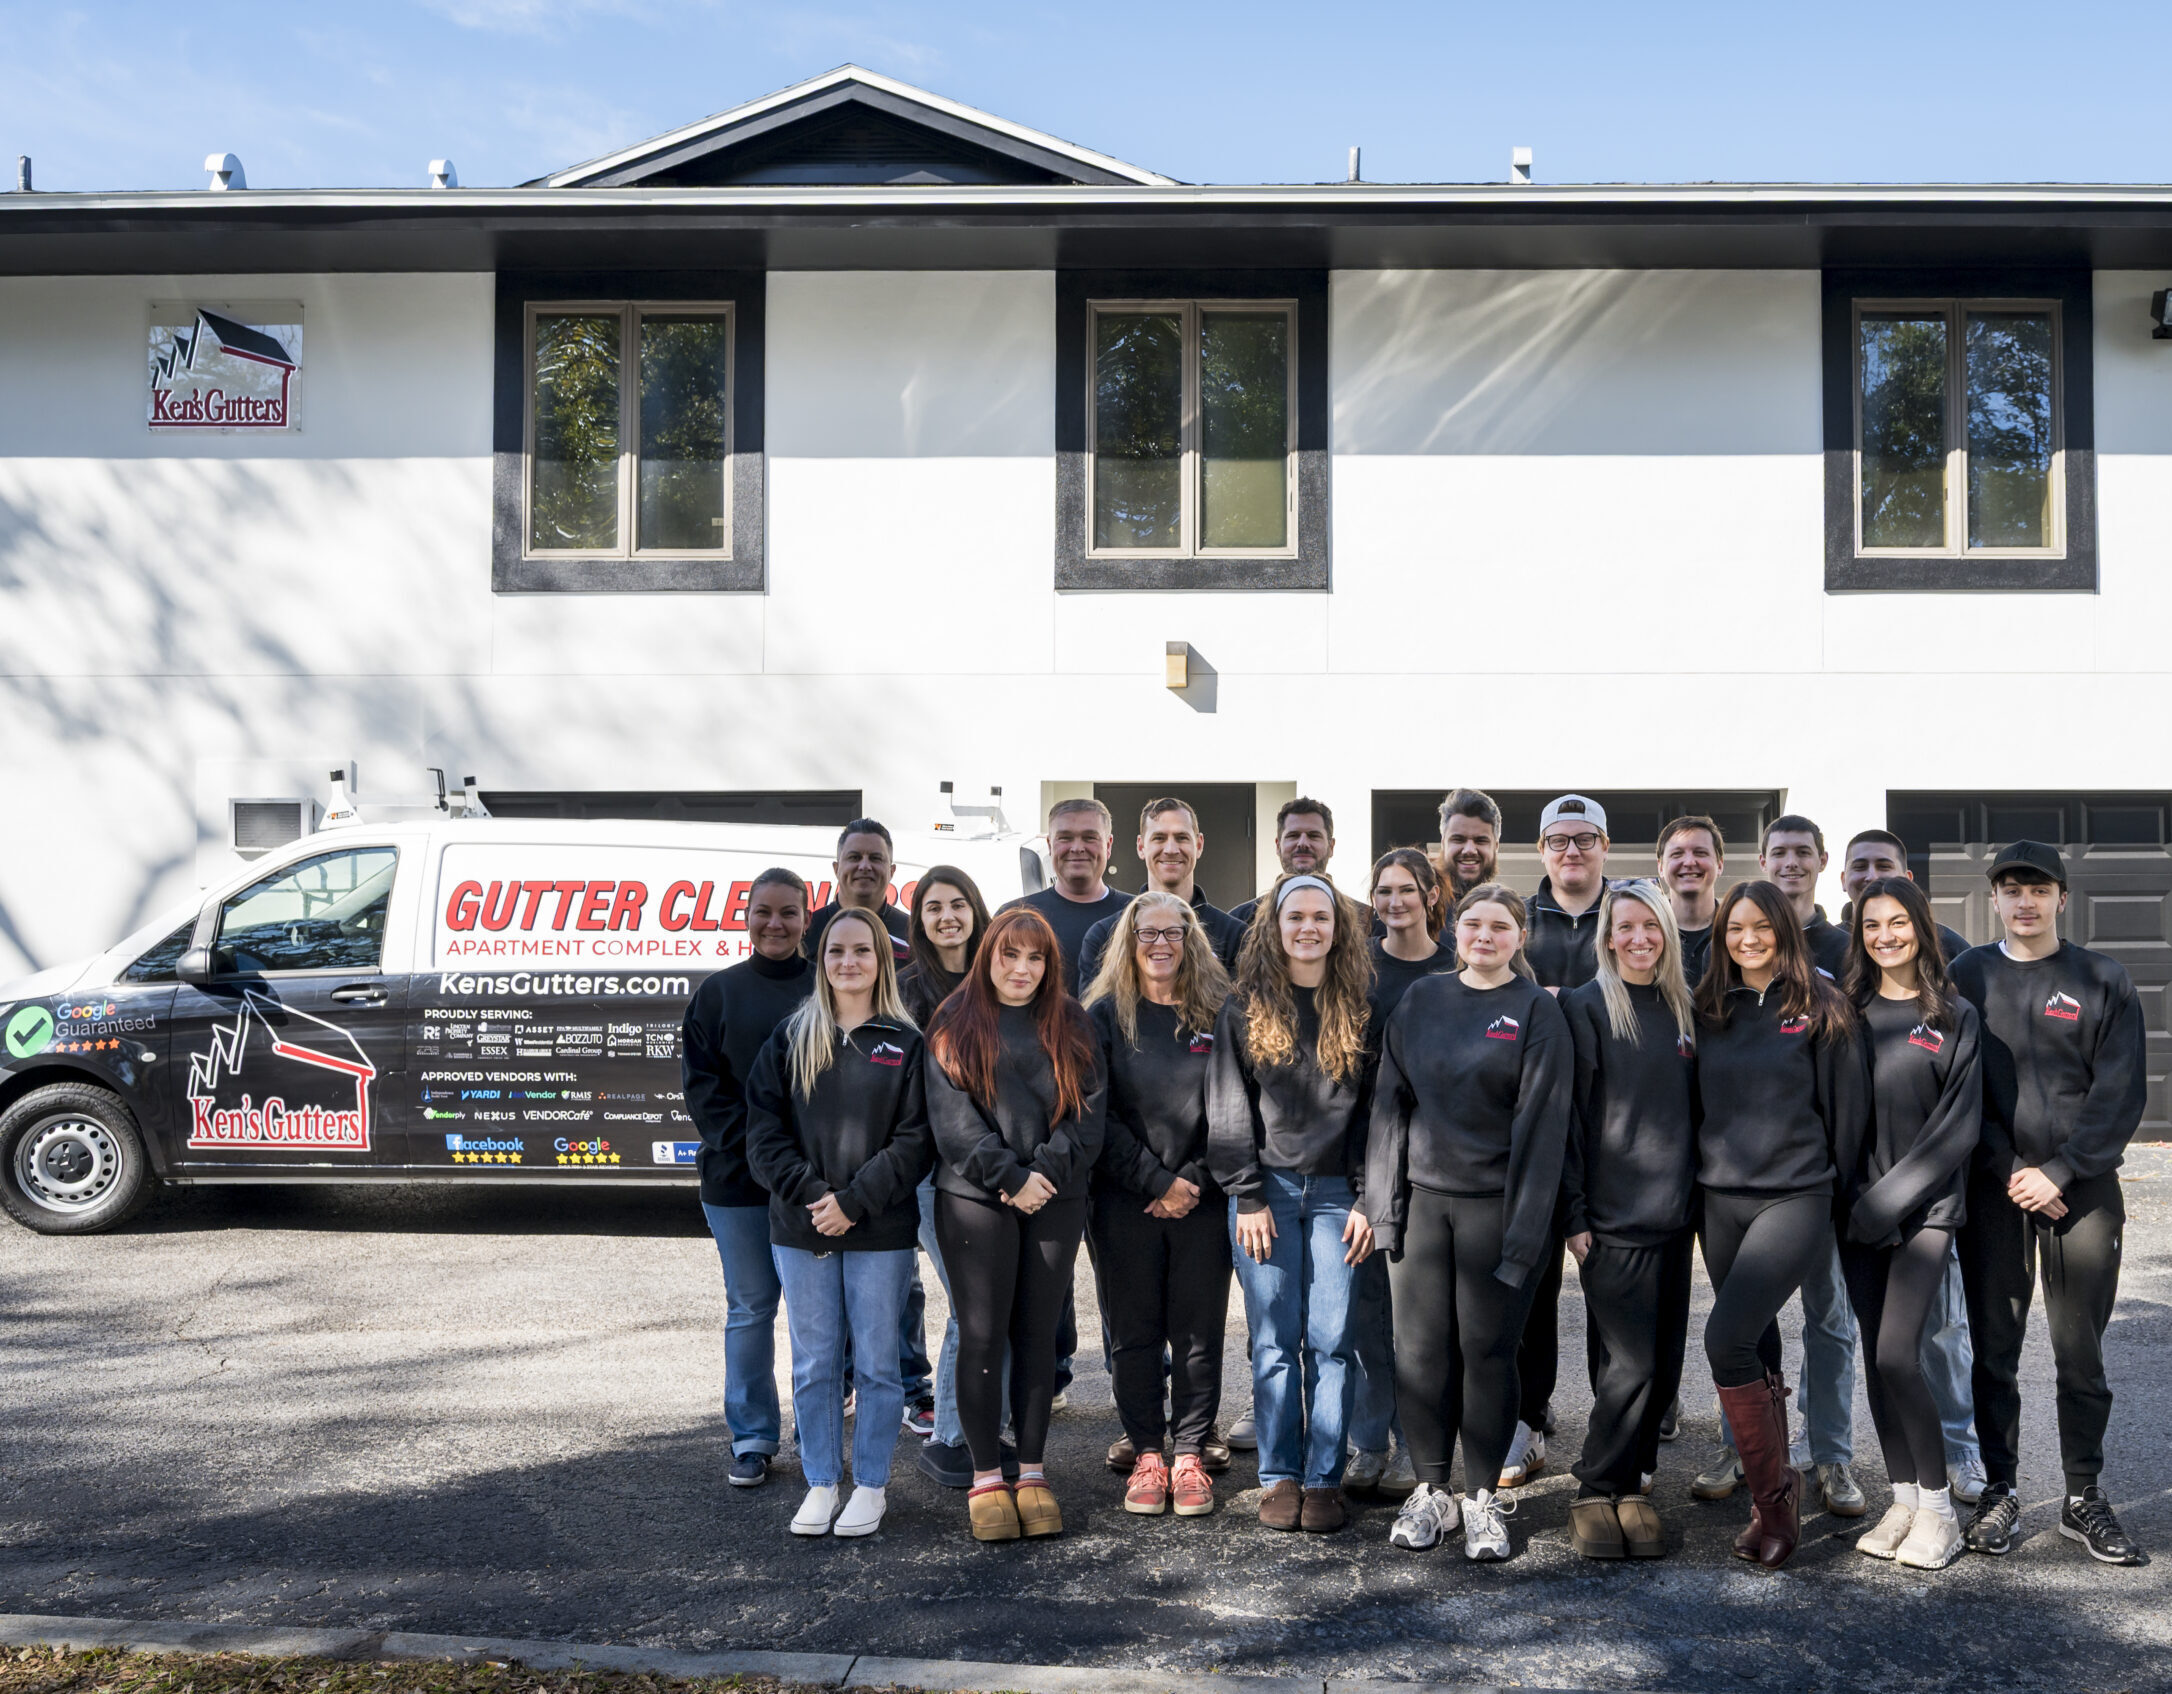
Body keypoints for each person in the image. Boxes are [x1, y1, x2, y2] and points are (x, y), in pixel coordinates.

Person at [1952, 841, 2149, 1565]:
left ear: (2062, 899)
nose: (2024, 901)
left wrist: (2062, 1170)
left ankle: (2082, 1497)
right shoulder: (1968, 973)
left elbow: (2121, 1092)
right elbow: (1959, 1084)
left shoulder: (2101, 978)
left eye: (2038, 889)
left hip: (2083, 1190)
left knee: (2079, 1353)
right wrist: (2010, 1168)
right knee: (1995, 1349)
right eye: (2010, 889)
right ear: (1995, 899)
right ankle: (2000, 1488)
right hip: (1997, 1189)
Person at [1367, 884, 1570, 1562]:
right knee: (1421, 1356)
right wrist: (1383, 1209)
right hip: (1424, 1207)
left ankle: (1482, 1498)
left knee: (1487, 1355)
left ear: (1520, 937)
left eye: (1500, 925)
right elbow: (1390, 1109)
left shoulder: (1536, 1011)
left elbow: (1544, 1133)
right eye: (1473, 923)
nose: (1484, 935)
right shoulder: (1422, 1000)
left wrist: (1526, 1235)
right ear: (1455, 930)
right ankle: (1432, 1493)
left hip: (1499, 1212)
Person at [1692, 879, 1868, 1570]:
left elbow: (1847, 1118)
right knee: (1755, 1347)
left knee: (1724, 1337)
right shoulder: (1707, 1008)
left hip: (1794, 1198)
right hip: (1720, 1199)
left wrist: (1840, 1201)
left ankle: (1775, 1499)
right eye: (1735, 928)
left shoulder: (1821, 1006)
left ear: (1784, 931)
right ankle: (1773, 1484)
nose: (1748, 939)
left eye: (1761, 926)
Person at [745, 908, 934, 1539]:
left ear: (882, 959)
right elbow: (763, 1134)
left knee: (880, 1364)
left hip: (878, 1227)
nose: (847, 962)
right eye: (835, 952)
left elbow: (915, 1140)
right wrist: (815, 1196)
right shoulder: (790, 1038)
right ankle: (822, 1480)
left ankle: (871, 1485)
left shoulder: (906, 1044)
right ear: (820, 961)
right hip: (802, 1229)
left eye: (861, 951)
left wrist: (855, 1200)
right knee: (815, 1362)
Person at [927, 907, 1107, 1542]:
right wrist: (1010, 1177)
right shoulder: (954, 1019)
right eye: (1011, 956)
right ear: (990, 956)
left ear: (1049, 963)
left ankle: (1031, 1472)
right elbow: (952, 1123)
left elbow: (1087, 1114)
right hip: (975, 1198)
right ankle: (984, 1477)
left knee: (1037, 1336)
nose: (1022, 969)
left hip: (1055, 1199)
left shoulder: (1073, 1022)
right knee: (981, 1336)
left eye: (1035, 958)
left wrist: (1043, 1176)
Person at [1208, 872, 1377, 1534]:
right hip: (1267, 1195)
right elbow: (1227, 1109)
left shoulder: (1361, 1005)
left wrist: (1369, 1196)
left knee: (1333, 1341)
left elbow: (1374, 1112)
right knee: (1275, 1338)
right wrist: (1247, 1194)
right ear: (1273, 928)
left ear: (1339, 929)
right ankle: (1279, 1473)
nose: (1308, 927)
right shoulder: (1244, 1007)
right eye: (1294, 916)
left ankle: (1323, 1477)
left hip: (1340, 1195)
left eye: (1321, 916)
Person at [1836, 876, 1983, 1571]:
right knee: (1874, 1358)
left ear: (1922, 928)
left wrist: (1884, 1201)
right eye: (1871, 926)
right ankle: (1902, 1498)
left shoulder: (1955, 1016)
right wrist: (1850, 1201)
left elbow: (1955, 1132)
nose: (1885, 936)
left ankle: (1939, 1510)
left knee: (1900, 1353)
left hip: (1924, 1213)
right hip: (1856, 1214)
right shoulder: (1848, 1011)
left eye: (1898, 923)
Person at [1083, 893, 1234, 1520]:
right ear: (1128, 939)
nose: (1160, 943)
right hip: (1124, 1202)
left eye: (1173, 931)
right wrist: (1154, 1181)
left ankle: (1191, 1452)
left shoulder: (1222, 1014)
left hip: (1202, 1199)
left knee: (1199, 1333)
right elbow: (1095, 1115)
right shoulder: (1101, 1018)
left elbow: (1234, 1111)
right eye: (1146, 932)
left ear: (1191, 939)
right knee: (1135, 1332)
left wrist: (1190, 1181)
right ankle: (1147, 1451)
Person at [1560, 880, 1697, 1560]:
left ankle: (1636, 1482)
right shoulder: (1587, 1008)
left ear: (1668, 932)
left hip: (1677, 1219)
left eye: (1652, 926)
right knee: (1628, 1363)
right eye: (1627, 927)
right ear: (1607, 936)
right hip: (1610, 1220)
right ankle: (1595, 1486)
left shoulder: (1684, 1009)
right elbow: (1570, 1122)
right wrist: (1574, 1214)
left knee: (1662, 1363)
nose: (1640, 938)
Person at [680, 867, 816, 1489]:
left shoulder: (830, 985)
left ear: (806, 917)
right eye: (764, 911)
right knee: (753, 1307)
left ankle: (817, 1437)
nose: (775, 924)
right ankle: (753, 1437)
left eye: (788, 912)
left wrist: (806, 1170)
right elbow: (705, 1095)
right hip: (738, 1184)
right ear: (746, 915)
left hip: (816, 1185)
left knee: (819, 1319)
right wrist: (762, 1158)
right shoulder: (718, 994)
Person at [1500, 793, 1610, 1489]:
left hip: (1611, 1132)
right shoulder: (1518, 924)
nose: (1572, 852)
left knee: (1613, 1291)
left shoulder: (1630, 918)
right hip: (1534, 1129)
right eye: (1559, 841)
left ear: (1605, 845)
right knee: (1531, 1291)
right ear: (1541, 850)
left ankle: (1621, 1421)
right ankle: (1528, 1421)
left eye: (1586, 839)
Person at [1342, 847, 1455, 1497]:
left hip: (1434, 1166)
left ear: (1430, 896)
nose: (1392, 902)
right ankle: (1368, 1443)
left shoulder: (1454, 970)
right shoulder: (1358, 969)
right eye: (1382, 891)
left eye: (1405, 890)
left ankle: (1420, 1448)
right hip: (1361, 1163)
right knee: (1366, 1319)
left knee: (1420, 1327)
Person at [898, 867, 993, 1480]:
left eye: (958, 904)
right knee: (969, 1303)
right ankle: (957, 1435)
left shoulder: (1002, 977)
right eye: (934, 908)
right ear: (920, 920)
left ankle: (991, 1423)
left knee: (997, 1303)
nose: (948, 917)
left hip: (1000, 1168)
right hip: (937, 1174)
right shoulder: (907, 991)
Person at [1078, 798, 1246, 983]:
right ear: (1141, 847)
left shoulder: (1235, 936)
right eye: (1159, 838)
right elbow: (1093, 1009)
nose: (1171, 849)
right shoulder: (1105, 936)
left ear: (1199, 845)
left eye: (1181, 838)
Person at [1004, 798, 1130, 996]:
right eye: (1065, 838)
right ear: (1049, 845)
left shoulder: (1137, 915)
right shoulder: (1013, 917)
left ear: (1108, 844)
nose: (1077, 847)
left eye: (1089, 837)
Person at [806, 818, 913, 963]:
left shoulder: (913, 934)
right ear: (836, 869)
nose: (864, 866)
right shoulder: (807, 931)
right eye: (854, 857)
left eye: (875, 858)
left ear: (891, 871)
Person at [1231, 798, 1338, 928]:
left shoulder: (1364, 921)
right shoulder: (1240, 921)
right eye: (1293, 835)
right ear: (1278, 846)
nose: (1302, 843)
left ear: (1331, 847)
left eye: (1313, 835)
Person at [1658, 815, 1726, 988]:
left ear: (1720, 864)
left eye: (1700, 853)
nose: (1689, 862)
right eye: (1677, 854)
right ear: (1660, 867)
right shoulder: (1644, 934)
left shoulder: (1736, 932)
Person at [1434, 788, 1503, 906]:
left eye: (1480, 840)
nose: (1469, 850)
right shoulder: (1421, 910)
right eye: (1458, 839)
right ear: (1443, 844)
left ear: (1495, 847)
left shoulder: (1514, 914)